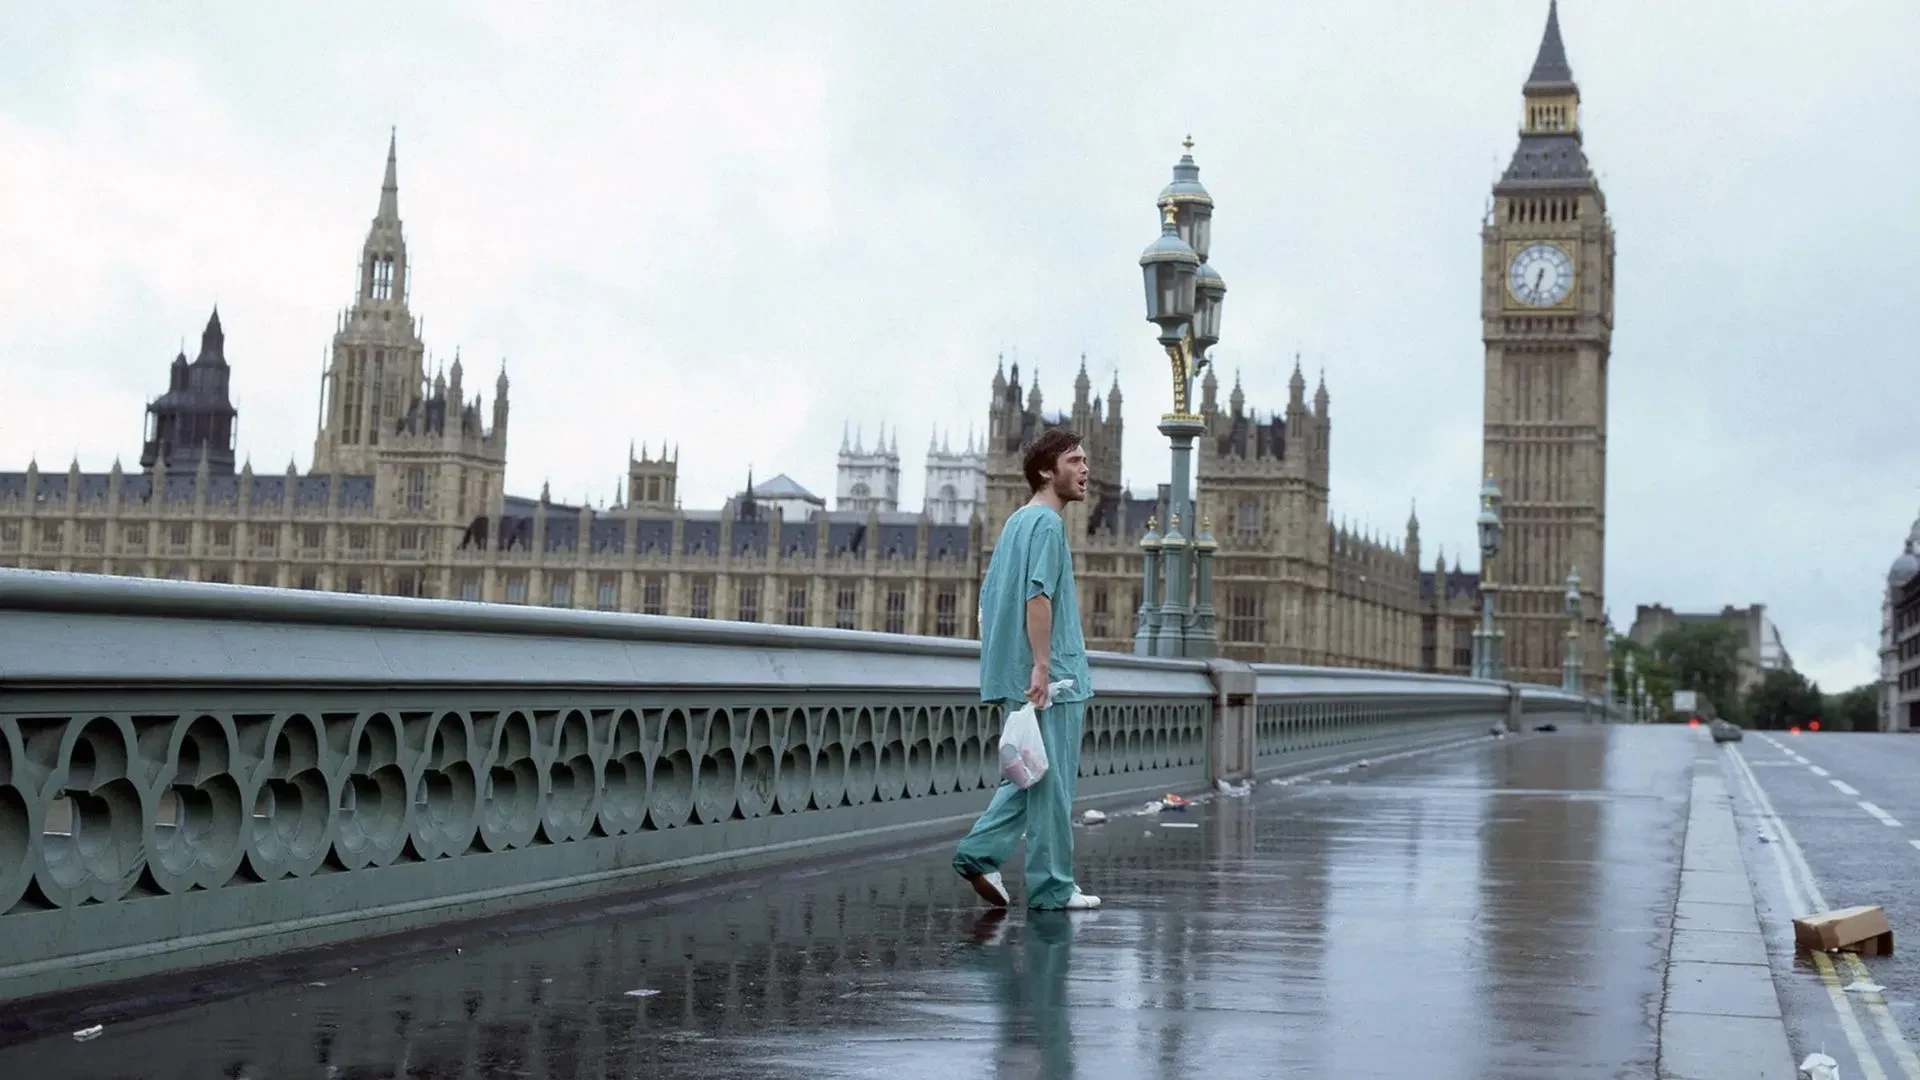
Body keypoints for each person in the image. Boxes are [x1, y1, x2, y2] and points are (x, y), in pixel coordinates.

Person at [952, 428, 1100, 911]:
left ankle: (979, 853)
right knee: (1052, 785)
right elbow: (1039, 597)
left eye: (1085, 461)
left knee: (1030, 774)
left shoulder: (1015, 523)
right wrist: (1041, 665)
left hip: (1018, 674)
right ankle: (1052, 887)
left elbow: (991, 600)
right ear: (1045, 471)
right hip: (1052, 678)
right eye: (1074, 461)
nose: (1084, 470)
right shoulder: (1049, 526)